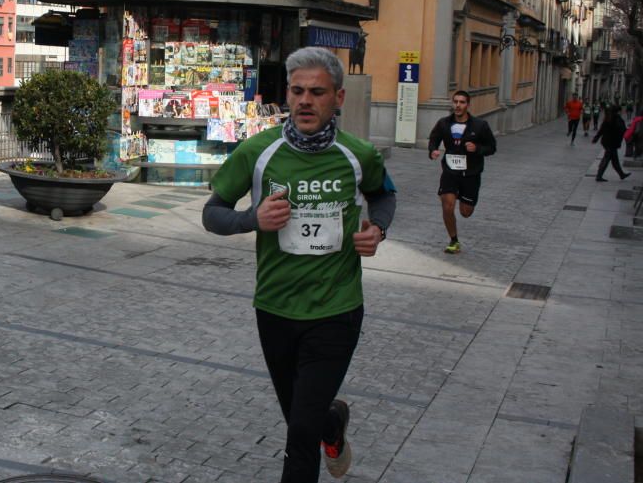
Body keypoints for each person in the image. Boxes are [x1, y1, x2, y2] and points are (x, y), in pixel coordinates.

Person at [202, 47, 396, 483]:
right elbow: (212, 213)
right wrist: (252, 219)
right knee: (302, 418)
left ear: (338, 99)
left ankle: (321, 426)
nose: (306, 100)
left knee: (300, 434)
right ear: (287, 95)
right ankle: (333, 422)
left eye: (317, 92)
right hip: (275, 308)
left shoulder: (358, 154)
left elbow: (384, 195)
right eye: (297, 91)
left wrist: (377, 230)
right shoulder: (258, 152)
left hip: (336, 309)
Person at [428, 90, 497, 254]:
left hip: (471, 174)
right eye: (456, 102)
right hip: (450, 172)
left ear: (468, 105)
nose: (458, 105)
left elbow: (492, 147)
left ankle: (461, 198)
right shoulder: (444, 123)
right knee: (447, 205)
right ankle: (453, 240)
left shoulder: (480, 125)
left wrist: (477, 148)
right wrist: (433, 151)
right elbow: (434, 139)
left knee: (465, 212)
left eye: (462, 102)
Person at [593, 105, 632, 181]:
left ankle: (621, 174)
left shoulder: (608, 117)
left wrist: (596, 138)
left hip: (607, 142)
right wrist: (629, 131)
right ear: (618, 111)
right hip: (612, 143)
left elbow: (602, 129)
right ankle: (599, 176)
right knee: (607, 159)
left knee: (614, 160)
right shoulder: (617, 119)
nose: (622, 112)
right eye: (621, 110)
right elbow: (622, 129)